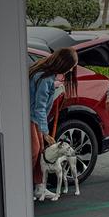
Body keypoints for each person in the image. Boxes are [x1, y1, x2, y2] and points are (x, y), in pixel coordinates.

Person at [29, 47, 79, 199]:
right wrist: (45, 133)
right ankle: (25, 186)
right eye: (71, 66)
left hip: (33, 118)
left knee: (38, 152)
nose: (71, 70)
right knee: (35, 152)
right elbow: (40, 106)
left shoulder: (42, 69)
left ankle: (39, 187)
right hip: (32, 119)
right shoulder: (45, 78)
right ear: (63, 64)